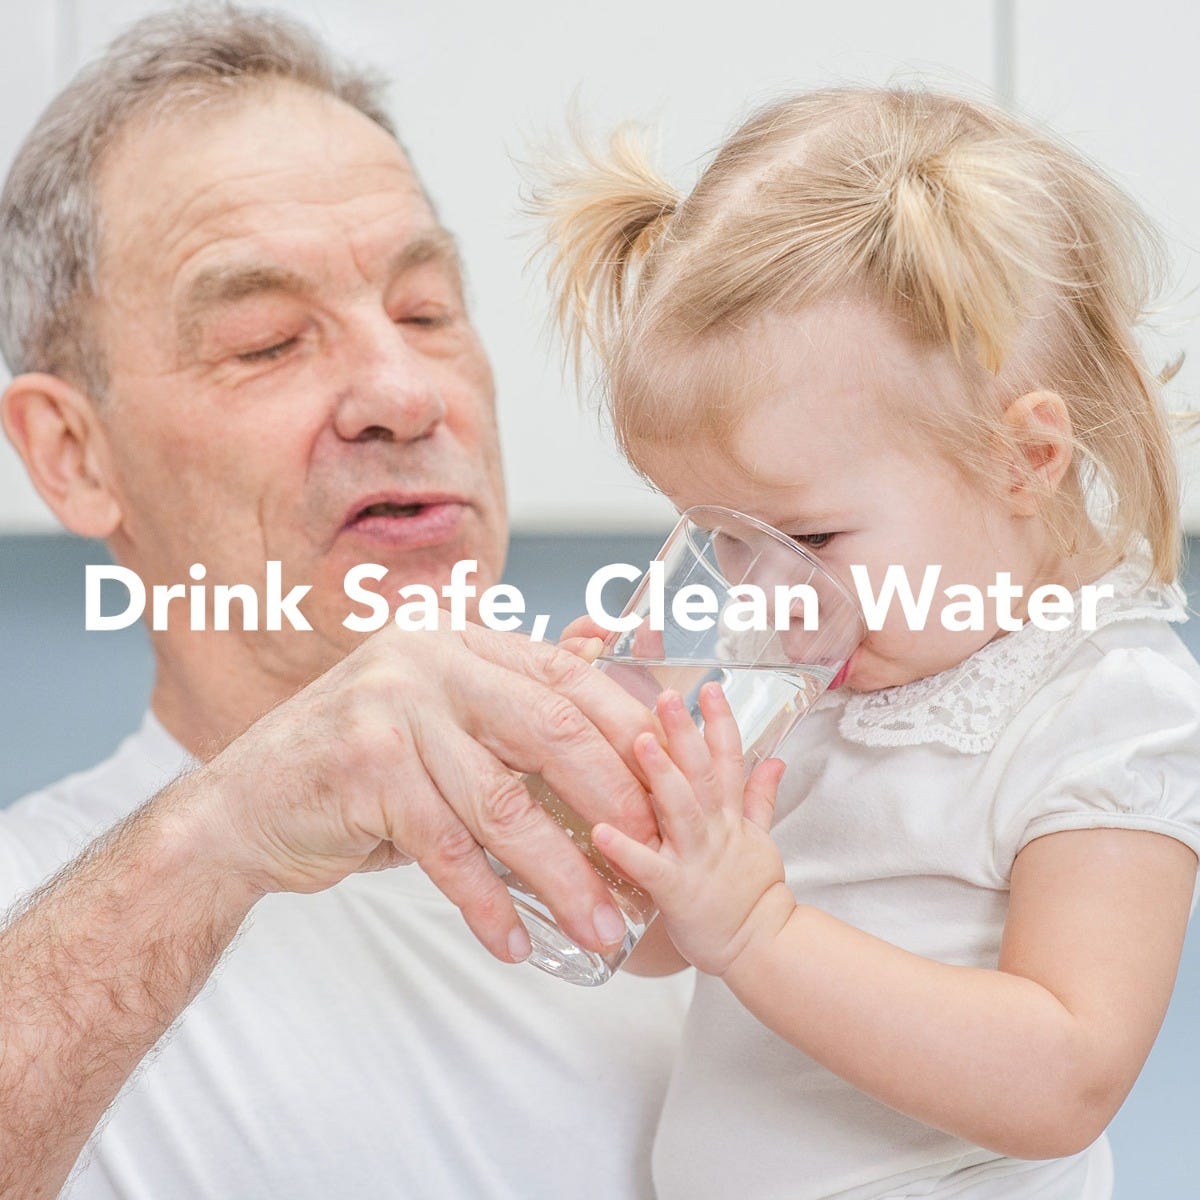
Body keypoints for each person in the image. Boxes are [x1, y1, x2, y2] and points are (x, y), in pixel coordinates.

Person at [0, 8, 690, 1199]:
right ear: (72, 453)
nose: (402, 392)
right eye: (267, 341)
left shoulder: (707, 834)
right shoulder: (37, 915)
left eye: (427, 312)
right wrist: (228, 826)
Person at [538, 87, 1200, 1197]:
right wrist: (632, 810)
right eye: (719, 540)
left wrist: (758, 928)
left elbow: (1065, 1080)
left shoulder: (1109, 708)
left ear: (1021, 459)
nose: (765, 591)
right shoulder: (794, 658)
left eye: (806, 536)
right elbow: (656, 944)